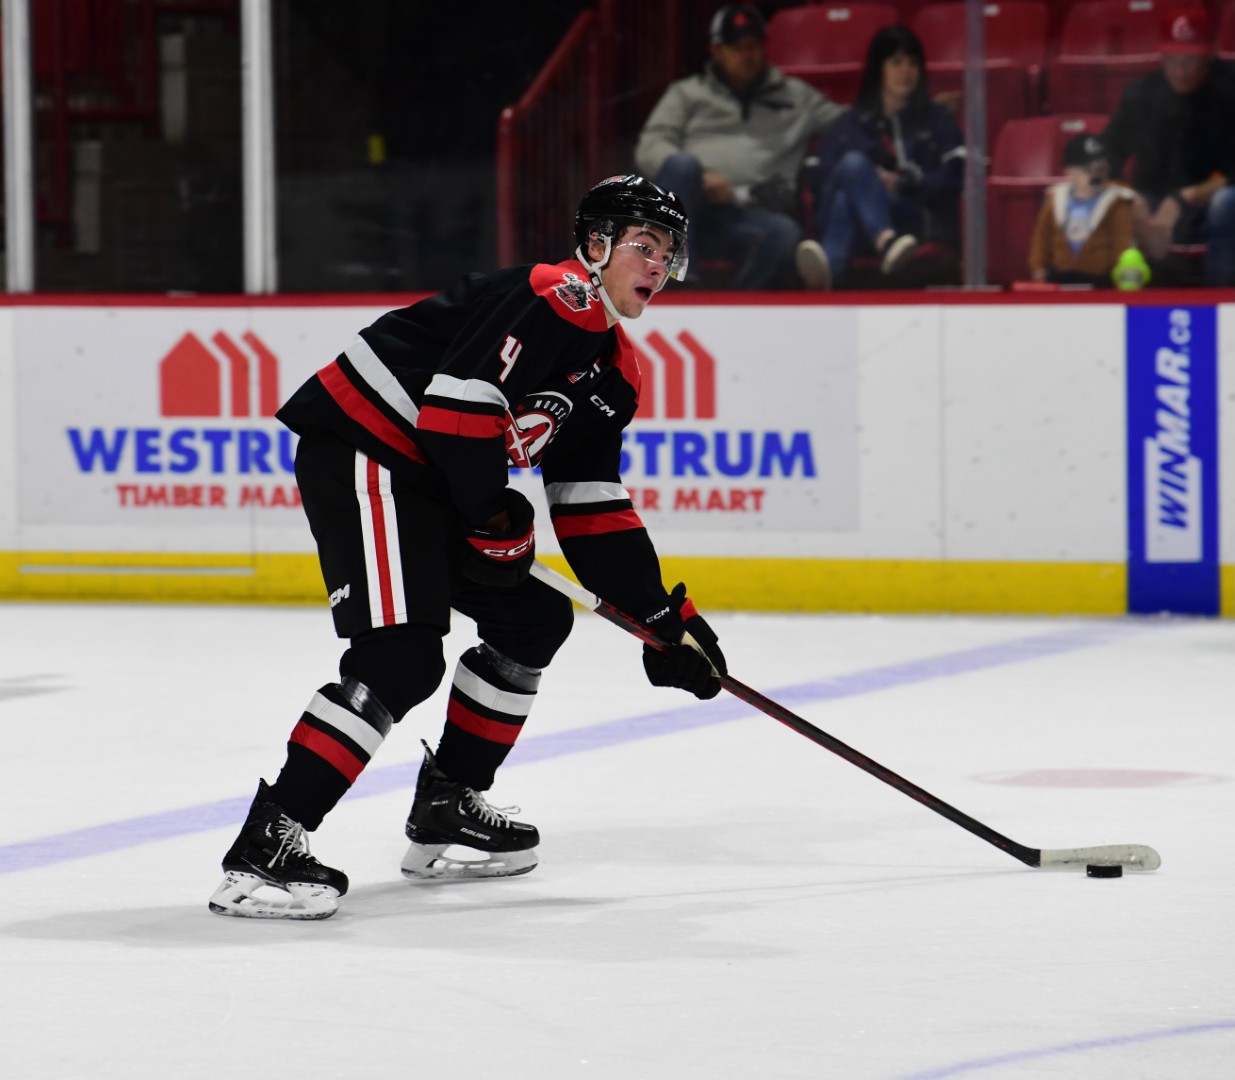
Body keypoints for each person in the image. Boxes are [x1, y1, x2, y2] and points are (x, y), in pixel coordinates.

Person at [208, 175, 728, 920]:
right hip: (370, 448)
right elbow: (457, 407)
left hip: (440, 480)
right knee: (401, 655)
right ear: (595, 244)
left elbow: (590, 503)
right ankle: (269, 841)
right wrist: (489, 513)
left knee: (532, 619)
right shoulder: (552, 296)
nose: (658, 265)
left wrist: (660, 618)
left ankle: (447, 803)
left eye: (667, 252)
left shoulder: (616, 373)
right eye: (643, 245)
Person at [633, 3, 843, 290]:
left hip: (748, 213)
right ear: (717, 51)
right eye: (737, 48)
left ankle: (736, 305)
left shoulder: (796, 97)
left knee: (785, 233)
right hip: (691, 208)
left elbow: (847, 123)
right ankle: (679, 283)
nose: (747, 55)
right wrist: (703, 178)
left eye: (753, 46)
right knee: (681, 166)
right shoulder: (686, 94)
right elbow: (650, 145)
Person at [805, 23, 965, 289]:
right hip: (860, 227)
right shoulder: (851, 122)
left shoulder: (937, 120)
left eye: (912, 63)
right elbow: (818, 177)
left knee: (851, 179)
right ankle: (885, 241)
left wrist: (903, 183)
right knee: (853, 170)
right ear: (879, 69)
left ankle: (829, 276)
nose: (906, 71)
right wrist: (866, 184)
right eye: (896, 62)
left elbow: (955, 175)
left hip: (910, 220)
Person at [1101, 5, 1235, 286]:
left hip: (1214, 197)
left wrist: (1184, 197)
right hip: (1153, 201)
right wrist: (1130, 198)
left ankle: (1224, 297)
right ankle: (1134, 296)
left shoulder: (1229, 87)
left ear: (1209, 54)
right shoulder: (1142, 93)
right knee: (1116, 205)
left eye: (1190, 61)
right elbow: (1106, 155)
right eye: (1173, 61)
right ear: (1161, 56)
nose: (1181, 72)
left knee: (1227, 203)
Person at [1028, 133, 1137, 287]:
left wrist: (1122, 273)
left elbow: (1122, 241)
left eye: (1101, 168)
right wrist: (1038, 267)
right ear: (1069, 171)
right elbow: (1042, 237)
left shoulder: (1117, 200)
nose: (1095, 175)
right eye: (1087, 169)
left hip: (1101, 281)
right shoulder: (1055, 197)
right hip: (1059, 278)